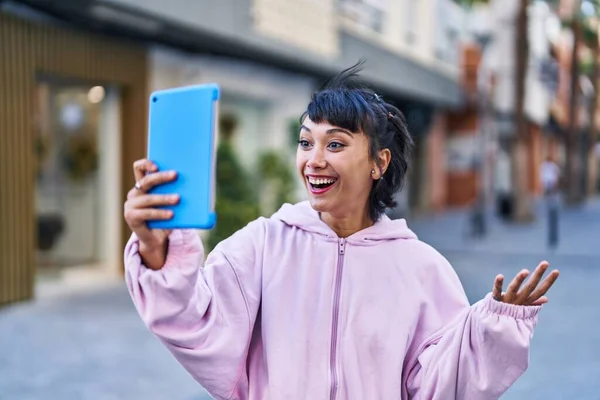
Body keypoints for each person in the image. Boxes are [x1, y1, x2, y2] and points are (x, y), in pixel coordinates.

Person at [123, 64, 560, 400]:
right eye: (305, 141)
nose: (313, 159)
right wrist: (155, 245)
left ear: (379, 162)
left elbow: (436, 385)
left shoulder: (421, 268)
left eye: (335, 144)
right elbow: (197, 321)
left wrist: (493, 329)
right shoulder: (263, 244)